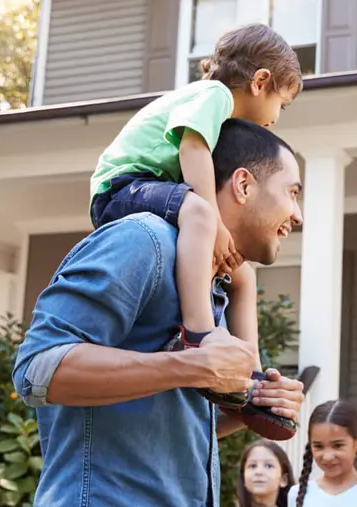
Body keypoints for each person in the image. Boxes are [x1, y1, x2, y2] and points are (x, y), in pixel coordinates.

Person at [13, 117, 306, 507]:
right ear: (244, 184)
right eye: (294, 191)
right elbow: (38, 369)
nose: (298, 215)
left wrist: (252, 413)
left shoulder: (215, 287)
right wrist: (191, 368)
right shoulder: (143, 240)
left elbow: (172, 411)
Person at [88, 23, 303, 439]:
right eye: (282, 103)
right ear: (261, 82)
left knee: (242, 273)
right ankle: (199, 335)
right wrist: (214, 221)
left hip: (147, 188)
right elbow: (192, 150)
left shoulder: (214, 109)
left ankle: (252, 380)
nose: (276, 118)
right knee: (199, 214)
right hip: (122, 185)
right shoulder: (213, 96)